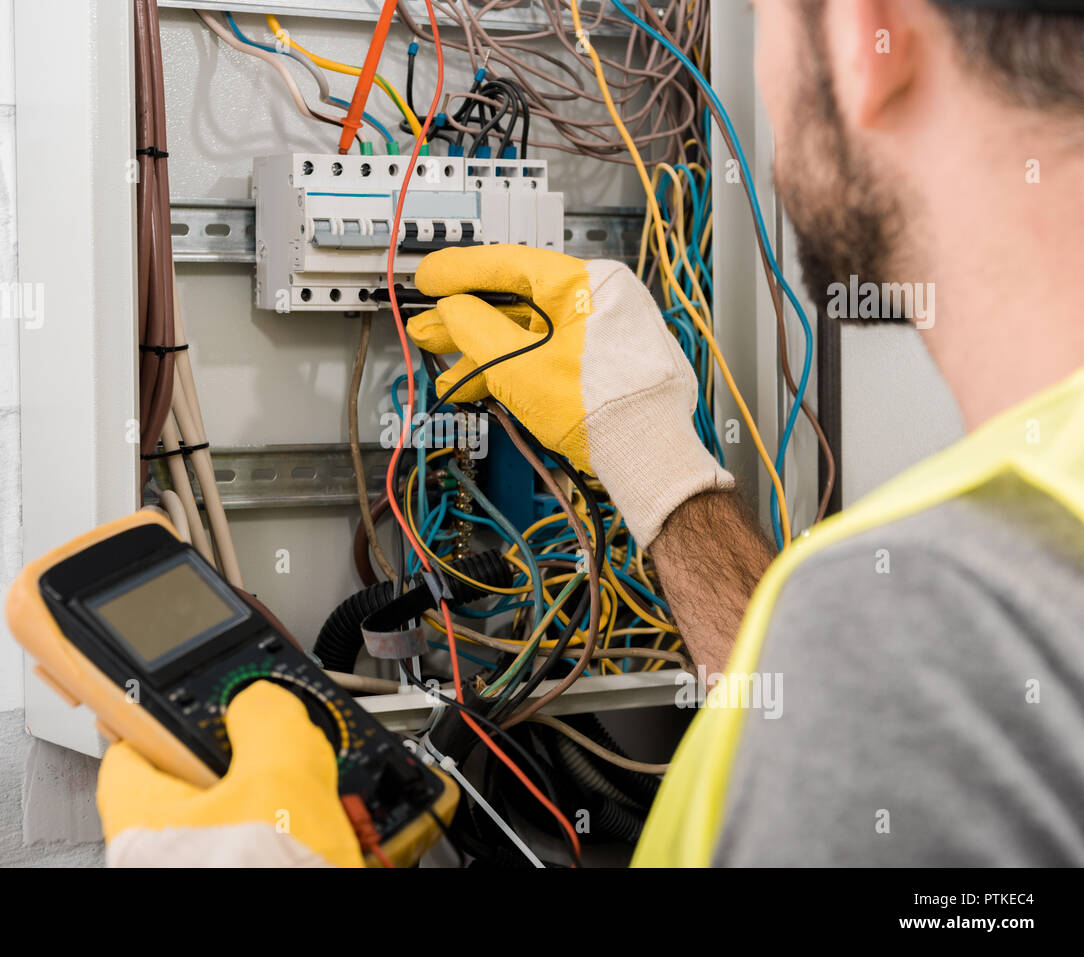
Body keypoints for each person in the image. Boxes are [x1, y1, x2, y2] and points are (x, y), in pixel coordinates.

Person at [97, 0, 1084, 866]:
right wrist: (652, 455)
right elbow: (819, 722)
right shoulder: (977, 584)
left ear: (873, 40)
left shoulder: (933, 613)